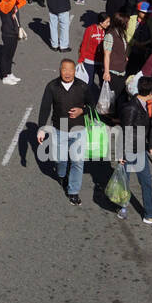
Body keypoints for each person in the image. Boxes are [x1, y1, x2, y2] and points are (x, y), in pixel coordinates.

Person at [112, 77, 152, 226]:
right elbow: (125, 131)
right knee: (127, 180)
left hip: (139, 148)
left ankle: (148, 213)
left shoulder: (138, 104)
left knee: (145, 181)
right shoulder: (132, 108)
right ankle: (128, 208)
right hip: (130, 150)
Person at [36, 58, 91, 206]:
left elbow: (92, 106)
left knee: (78, 162)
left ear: (75, 71)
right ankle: (61, 175)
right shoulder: (52, 86)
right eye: (64, 70)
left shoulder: (83, 86)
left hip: (79, 128)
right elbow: (45, 108)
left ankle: (73, 191)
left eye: (70, 70)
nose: (67, 73)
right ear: (60, 70)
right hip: (59, 129)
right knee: (61, 160)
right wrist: (41, 129)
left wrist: (82, 110)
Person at [100, 11, 131, 114]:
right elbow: (107, 55)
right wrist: (106, 72)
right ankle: (107, 117)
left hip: (121, 70)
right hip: (113, 71)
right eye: (127, 22)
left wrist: (124, 56)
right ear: (122, 23)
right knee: (111, 98)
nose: (128, 24)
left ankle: (113, 117)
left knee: (118, 97)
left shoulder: (122, 34)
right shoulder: (110, 35)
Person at [0, 0, 28, 84]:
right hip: (7, 32)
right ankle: (5, 76)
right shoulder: (3, 5)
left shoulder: (13, 3)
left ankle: (9, 73)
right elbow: (9, 6)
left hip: (14, 31)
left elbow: (23, 1)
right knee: (6, 55)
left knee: (11, 55)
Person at [77, 10, 110, 101]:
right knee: (89, 82)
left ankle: (102, 100)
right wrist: (81, 59)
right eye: (107, 22)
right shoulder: (90, 29)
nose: (108, 24)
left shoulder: (107, 32)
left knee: (103, 82)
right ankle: (86, 100)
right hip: (89, 60)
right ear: (100, 22)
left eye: (109, 22)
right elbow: (84, 44)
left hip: (101, 62)